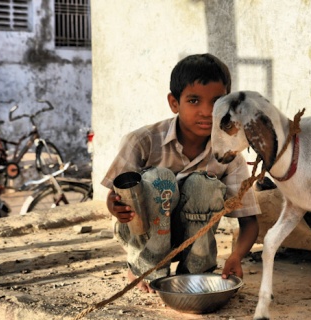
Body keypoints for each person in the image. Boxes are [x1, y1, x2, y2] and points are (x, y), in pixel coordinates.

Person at [101, 53, 261, 293]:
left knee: (203, 185)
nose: (207, 111)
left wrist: (236, 256)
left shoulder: (229, 156)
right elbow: (114, 198)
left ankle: (195, 273)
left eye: (216, 101)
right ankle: (146, 268)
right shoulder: (142, 141)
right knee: (160, 180)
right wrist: (115, 207)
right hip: (142, 233)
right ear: (174, 103)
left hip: (192, 238)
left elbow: (249, 221)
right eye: (194, 101)